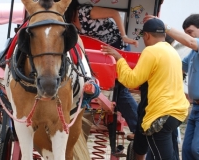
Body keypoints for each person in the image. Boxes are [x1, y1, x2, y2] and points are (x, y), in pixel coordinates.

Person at [101, 18, 189, 160]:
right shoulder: (172, 52)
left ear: (147, 35)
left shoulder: (151, 51)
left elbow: (131, 80)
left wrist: (119, 59)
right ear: (164, 35)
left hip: (161, 115)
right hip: (177, 113)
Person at [64, 0, 139, 155]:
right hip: (95, 53)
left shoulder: (85, 12)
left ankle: (139, 129)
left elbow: (114, 13)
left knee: (119, 88)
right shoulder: (66, 22)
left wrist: (124, 36)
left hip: (113, 47)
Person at [144, 14, 199, 160]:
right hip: (195, 108)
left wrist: (164, 27)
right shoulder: (193, 54)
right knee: (187, 150)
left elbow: (192, 42)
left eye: (190, 32)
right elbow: (178, 66)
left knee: (196, 149)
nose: (186, 36)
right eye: (185, 32)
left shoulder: (194, 45)